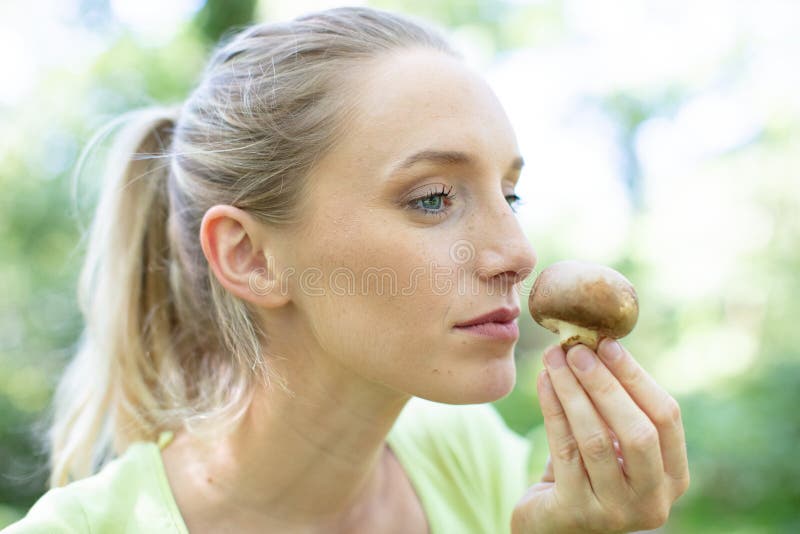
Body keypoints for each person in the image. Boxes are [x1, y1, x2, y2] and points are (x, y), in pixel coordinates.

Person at [4, 6, 689, 534]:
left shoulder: (474, 459)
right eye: (432, 199)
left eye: (509, 195)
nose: (518, 253)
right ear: (250, 256)